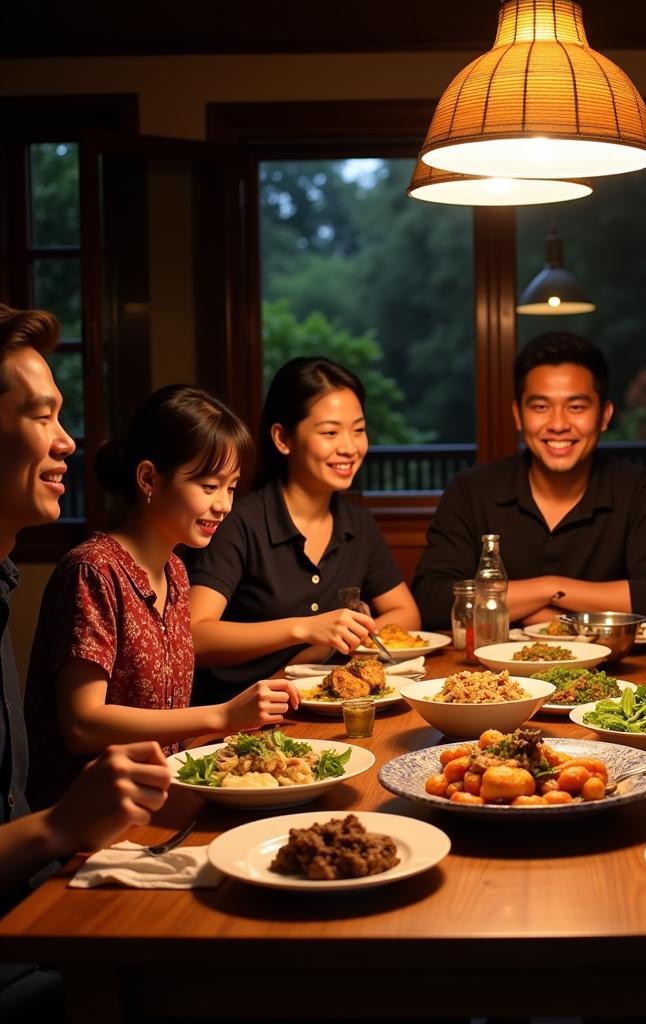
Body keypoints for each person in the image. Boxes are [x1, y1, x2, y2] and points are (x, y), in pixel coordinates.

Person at [0, 304, 171, 1019]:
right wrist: (60, 825)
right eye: (42, 417)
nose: (67, 441)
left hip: (42, 910)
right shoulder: (93, 568)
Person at [25, 386, 301, 810]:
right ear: (149, 478)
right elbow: (82, 723)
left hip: (163, 796)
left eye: (231, 488)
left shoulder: (174, 569)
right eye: (209, 486)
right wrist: (223, 716)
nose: (224, 505)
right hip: (88, 817)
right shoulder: (93, 571)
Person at [412, 332, 646, 628]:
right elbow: (433, 600)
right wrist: (547, 588)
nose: (558, 425)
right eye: (541, 407)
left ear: (605, 416)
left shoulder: (639, 489)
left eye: (577, 407)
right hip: (493, 671)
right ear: (518, 415)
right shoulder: (470, 490)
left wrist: (550, 604)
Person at [189, 357, 419, 703]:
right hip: (236, 719)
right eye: (330, 432)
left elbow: (407, 613)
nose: (350, 447)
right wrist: (305, 630)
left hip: (324, 706)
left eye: (358, 430)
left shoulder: (357, 522)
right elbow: (195, 636)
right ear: (283, 438)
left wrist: (338, 641)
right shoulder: (238, 520)